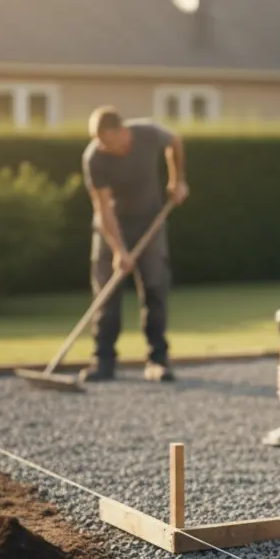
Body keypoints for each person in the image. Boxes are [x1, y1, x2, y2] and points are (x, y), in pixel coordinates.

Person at [81, 106, 189, 383]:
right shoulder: (94, 157)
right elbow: (103, 208)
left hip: (150, 222)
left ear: (122, 132)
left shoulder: (149, 134)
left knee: (155, 287)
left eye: (107, 141)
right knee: (107, 292)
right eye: (98, 142)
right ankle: (103, 361)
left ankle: (157, 360)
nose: (102, 147)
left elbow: (175, 141)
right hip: (112, 226)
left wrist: (177, 181)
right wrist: (119, 250)